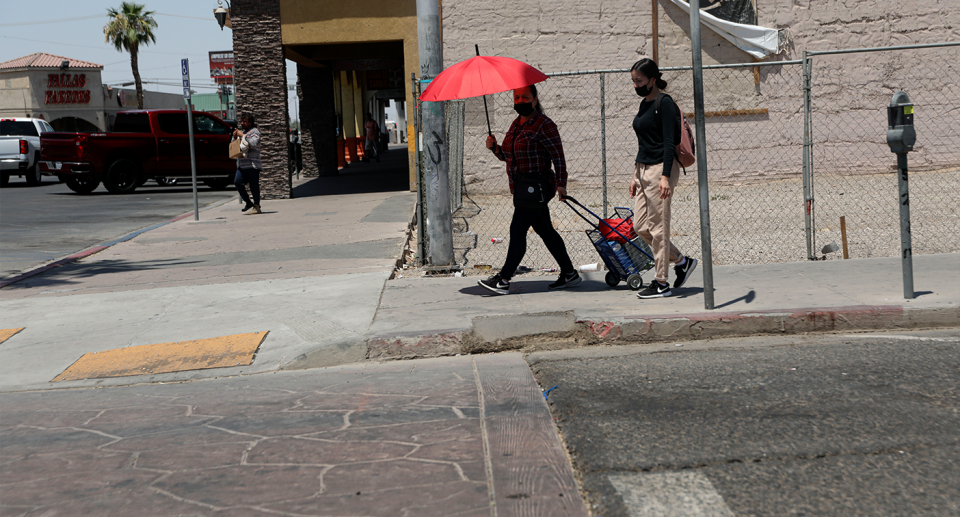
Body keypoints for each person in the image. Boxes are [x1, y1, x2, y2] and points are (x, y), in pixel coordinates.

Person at [478, 84, 581, 295]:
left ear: (535, 100)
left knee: (517, 230)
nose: (520, 101)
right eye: (517, 98)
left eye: (525, 97)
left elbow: (558, 156)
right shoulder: (516, 125)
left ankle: (503, 279)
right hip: (522, 188)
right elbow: (508, 156)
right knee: (545, 231)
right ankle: (570, 273)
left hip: (538, 188)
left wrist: (561, 183)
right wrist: (494, 148)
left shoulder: (544, 124)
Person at [628, 58, 698, 298]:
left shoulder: (664, 103)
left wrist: (666, 177)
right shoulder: (644, 104)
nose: (636, 85)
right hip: (643, 169)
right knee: (639, 227)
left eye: (639, 80)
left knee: (658, 228)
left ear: (652, 80)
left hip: (661, 170)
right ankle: (681, 261)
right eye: (633, 81)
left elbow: (668, 143)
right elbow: (643, 142)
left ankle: (661, 282)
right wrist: (635, 175)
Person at [232, 113, 262, 214]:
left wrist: (243, 135)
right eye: (241, 121)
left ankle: (257, 206)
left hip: (252, 164)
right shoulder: (244, 132)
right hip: (243, 165)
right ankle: (248, 202)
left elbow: (253, 143)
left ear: (250, 122)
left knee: (254, 186)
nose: (242, 123)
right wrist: (235, 137)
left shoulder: (255, 132)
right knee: (237, 181)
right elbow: (235, 146)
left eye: (244, 121)